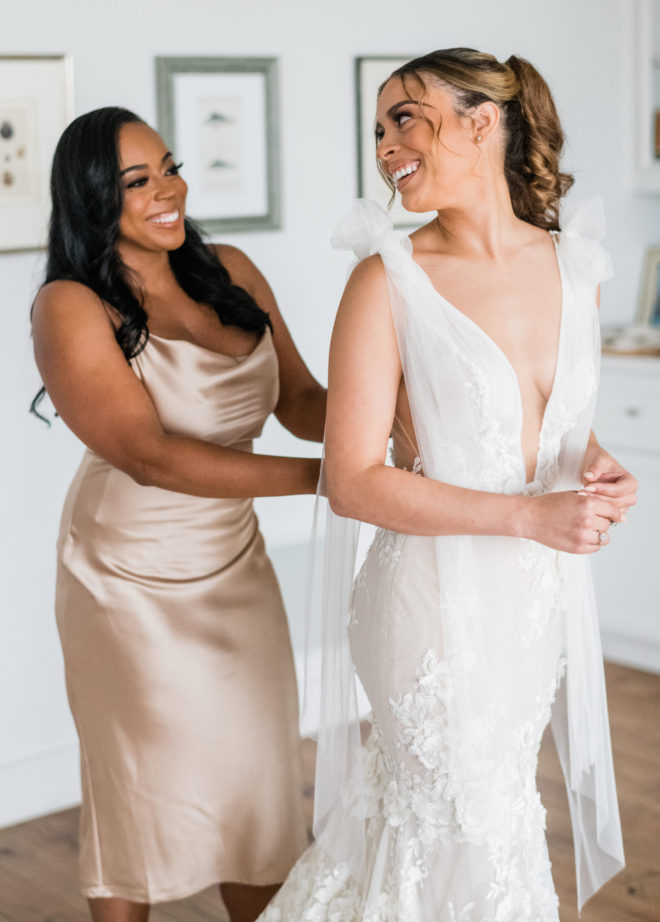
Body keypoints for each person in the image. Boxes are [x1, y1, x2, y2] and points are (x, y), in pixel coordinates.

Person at [259, 48, 638, 922]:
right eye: (379, 128)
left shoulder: (570, 263)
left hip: (529, 605)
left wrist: (594, 462)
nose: (387, 144)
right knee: (455, 821)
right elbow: (352, 481)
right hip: (428, 608)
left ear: (483, 120)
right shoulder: (387, 282)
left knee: (494, 816)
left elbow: (546, 421)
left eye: (405, 116)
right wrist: (528, 516)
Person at [31, 107, 325, 922]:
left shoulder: (229, 269)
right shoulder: (70, 304)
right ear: (94, 197)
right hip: (125, 578)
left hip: (235, 561)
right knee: (139, 792)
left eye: (169, 166)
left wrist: (404, 423)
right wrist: (333, 481)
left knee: (259, 788)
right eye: (137, 181)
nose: (169, 191)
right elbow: (148, 455)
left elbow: (300, 400)